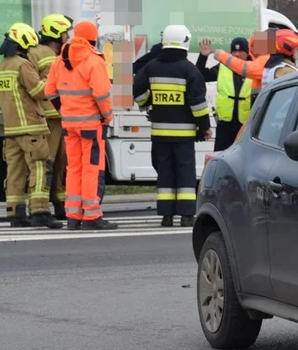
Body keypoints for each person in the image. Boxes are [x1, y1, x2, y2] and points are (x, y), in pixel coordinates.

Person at [133, 24, 211, 227]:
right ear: (185, 41)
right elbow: (198, 104)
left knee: (165, 172)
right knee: (185, 173)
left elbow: (138, 90)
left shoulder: (151, 67)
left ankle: (166, 216)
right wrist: (204, 126)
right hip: (183, 135)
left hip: (159, 133)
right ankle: (186, 215)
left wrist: (147, 104)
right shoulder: (189, 70)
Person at [44, 19, 118, 230]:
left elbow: (49, 92)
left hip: (69, 124)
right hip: (91, 124)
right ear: (93, 39)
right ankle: (92, 216)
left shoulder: (60, 60)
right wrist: (106, 116)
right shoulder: (94, 61)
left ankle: (73, 216)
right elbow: (102, 94)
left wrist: (64, 110)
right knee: (91, 169)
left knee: (73, 168)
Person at [0, 22, 63, 229]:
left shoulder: (0, 67)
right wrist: (53, 81)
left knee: (14, 171)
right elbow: (39, 92)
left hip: (11, 129)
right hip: (31, 127)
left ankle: (15, 212)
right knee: (40, 166)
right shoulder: (22, 65)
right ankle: (40, 211)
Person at [28, 14, 73, 222]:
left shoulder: (57, 54)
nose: (67, 36)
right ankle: (42, 206)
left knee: (61, 163)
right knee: (49, 162)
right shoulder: (38, 54)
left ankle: (61, 204)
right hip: (49, 117)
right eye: (65, 32)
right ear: (56, 32)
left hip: (60, 116)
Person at [197, 36, 251, 151]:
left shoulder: (254, 68)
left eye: (240, 51)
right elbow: (200, 75)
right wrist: (203, 56)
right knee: (220, 157)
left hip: (246, 125)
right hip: (225, 124)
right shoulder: (224, 66)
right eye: (234, 51)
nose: (236, 54)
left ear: (247, 53)